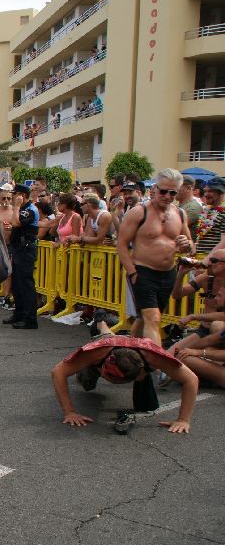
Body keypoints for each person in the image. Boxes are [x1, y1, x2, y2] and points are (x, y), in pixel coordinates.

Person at [50, 333, 198, 434]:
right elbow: (58, 372)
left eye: (110, 376)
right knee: (87, 385)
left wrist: (183, 420)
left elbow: (191, 379)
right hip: (105, 343)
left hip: (138, 356)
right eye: (105, 372)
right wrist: (69, 412)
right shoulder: (98, 352)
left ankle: (141, 379)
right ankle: (101, 322)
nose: (104, 376)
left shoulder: (153, 357)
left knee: (147, 406)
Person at [116, 168, 193, 345]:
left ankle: (128, 350)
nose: (167, 196)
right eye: (163, 191)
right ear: (155, 188)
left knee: (145, 318)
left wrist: (187, 245)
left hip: (168, 273)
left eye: (172, 193)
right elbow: (121, 243)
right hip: (143, 271)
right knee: (153, 318)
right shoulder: (138, 212)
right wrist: (132, 273)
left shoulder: (179, 214)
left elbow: (190, 245)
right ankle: (156, 367)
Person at [4, 183, 41, 330]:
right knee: (17, 284)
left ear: (22, 196)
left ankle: (30, 318)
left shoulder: (30, 209)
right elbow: (16, 224)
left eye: (15, 195)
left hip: (26, 249)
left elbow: (17, 222)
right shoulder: (23, 209)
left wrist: (17, 207)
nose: (12, 198)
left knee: (25, 284)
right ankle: (19, 314)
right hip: (19, 248)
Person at [195, 177, 225, 254]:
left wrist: (205, 262)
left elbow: (223, 243)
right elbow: (201, 235)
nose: (205, 194)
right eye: (205, 191)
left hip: (214, 261)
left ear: (221, 193)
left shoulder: (224, 212)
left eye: (210, 191)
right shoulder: (206, 210)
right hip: (199, 259)